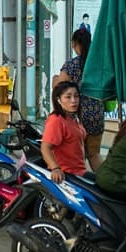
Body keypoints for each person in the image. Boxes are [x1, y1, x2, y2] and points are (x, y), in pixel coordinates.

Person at [52, 28, 105, 170]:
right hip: (97, 113)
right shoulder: (99, 65)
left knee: (75, 155)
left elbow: (59, 86)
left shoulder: (71, 65)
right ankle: (103, 184)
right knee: (94, 154)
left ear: (74, 44)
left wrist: (55, 79)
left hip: (77, 115)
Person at [41, 81, 99, 183]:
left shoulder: (74, 117)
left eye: (76, 96)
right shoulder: (56, 120)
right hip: (67, 174)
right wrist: (55, 169)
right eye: (68, 97)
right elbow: (45, 147)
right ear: (58, 100)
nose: (73, 100)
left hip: (80, 171)